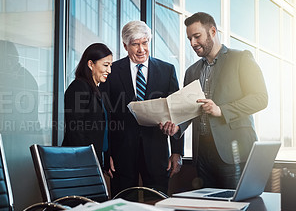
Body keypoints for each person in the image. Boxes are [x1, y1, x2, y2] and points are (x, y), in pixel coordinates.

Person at [161, 12, 268, 189]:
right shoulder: (191, 71)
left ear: (212, 31)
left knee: (235, 209)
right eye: (189, 39)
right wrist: (177, 126)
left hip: (233, 152)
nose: (193, 43)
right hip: (202, 154)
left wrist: (222, 110)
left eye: (197, 36)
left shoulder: (241, 58)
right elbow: (190, 109)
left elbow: (261, 98)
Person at [100, 20, 184, 196]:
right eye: (135, 44)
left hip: (156, 152)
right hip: (121, 154)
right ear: (125, 45)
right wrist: (106, 154)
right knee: (122, 206)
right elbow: (105, 115)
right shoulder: (111, 71)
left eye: (145, 43)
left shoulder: (167, 70)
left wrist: (177, 151)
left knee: (158, 205)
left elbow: (177, 111)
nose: (141, 49)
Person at [62, 43, 112, 168]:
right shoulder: (79, 87)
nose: (109, 70)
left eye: (110, 65)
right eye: (105, 65)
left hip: (93, 158)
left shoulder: (96, 90)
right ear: (90, 64)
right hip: (80, 161)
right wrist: (87, 160)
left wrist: (105, 157)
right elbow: (75, 129)